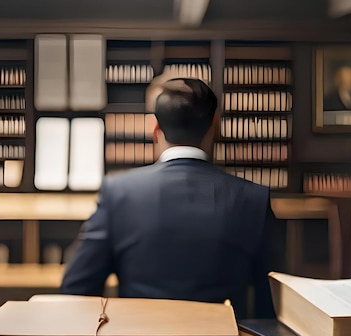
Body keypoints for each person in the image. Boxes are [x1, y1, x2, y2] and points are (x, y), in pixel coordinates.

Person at [60, 78, 276, 318]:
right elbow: (272, 304)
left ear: (155, 128)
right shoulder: (254, 198)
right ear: (215, 125)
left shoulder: (119, 192)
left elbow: (77, 289)